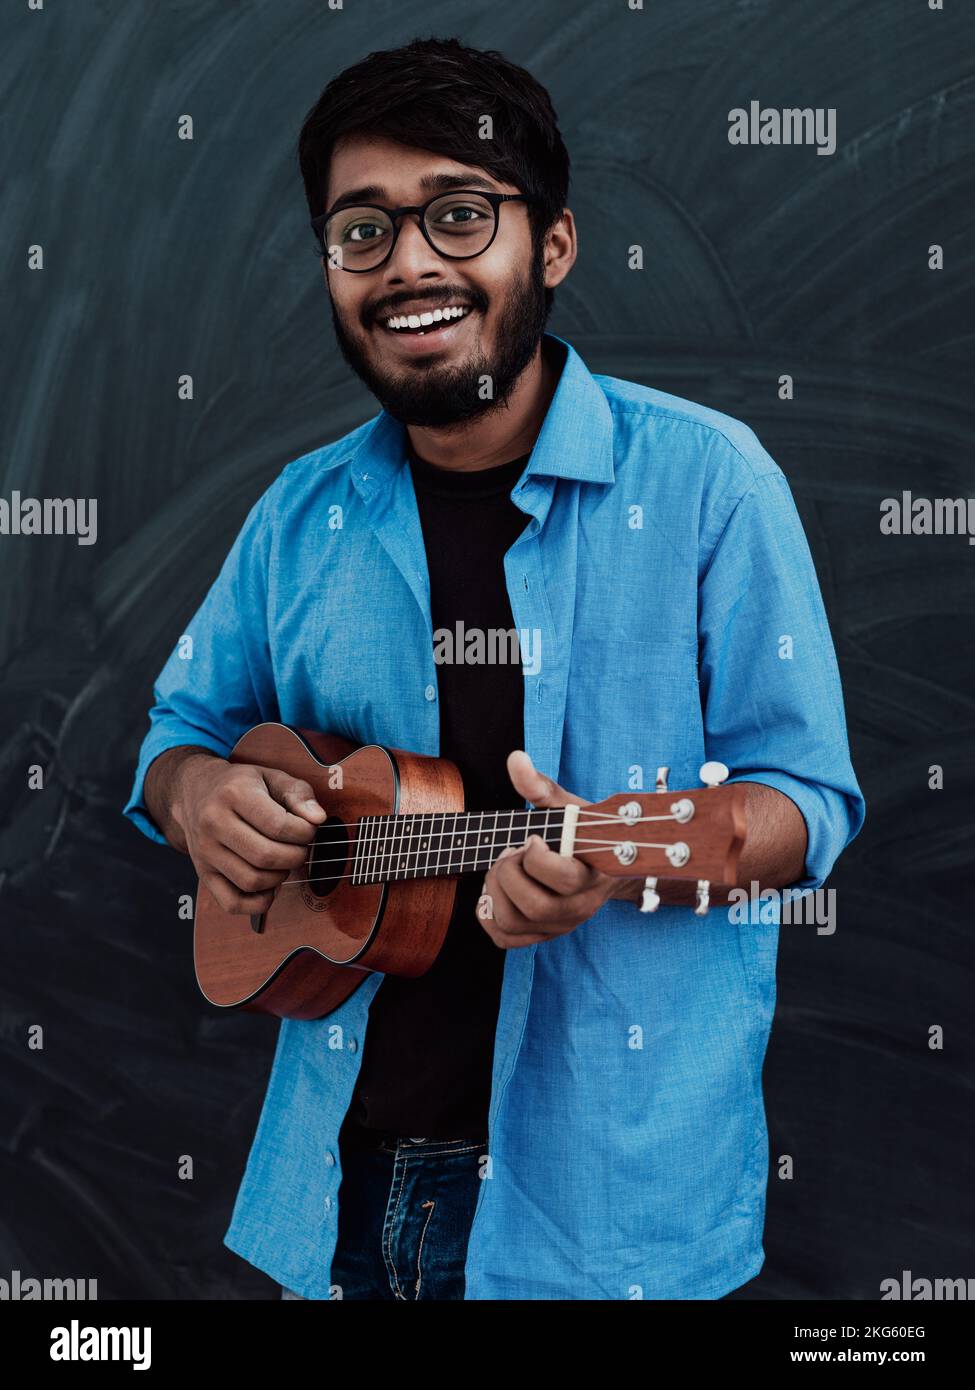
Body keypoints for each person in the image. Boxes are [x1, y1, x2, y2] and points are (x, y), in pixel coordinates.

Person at [122, 36, 865, 1300]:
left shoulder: (711, 485)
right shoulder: (299, 518)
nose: (409, 262)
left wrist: (610, 855)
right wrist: (201, 801)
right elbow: (175, 735)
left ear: (553, 246)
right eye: (362, 231)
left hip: (611, 1226)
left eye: (458, 216)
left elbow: (806, 806)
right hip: (339, 1193)